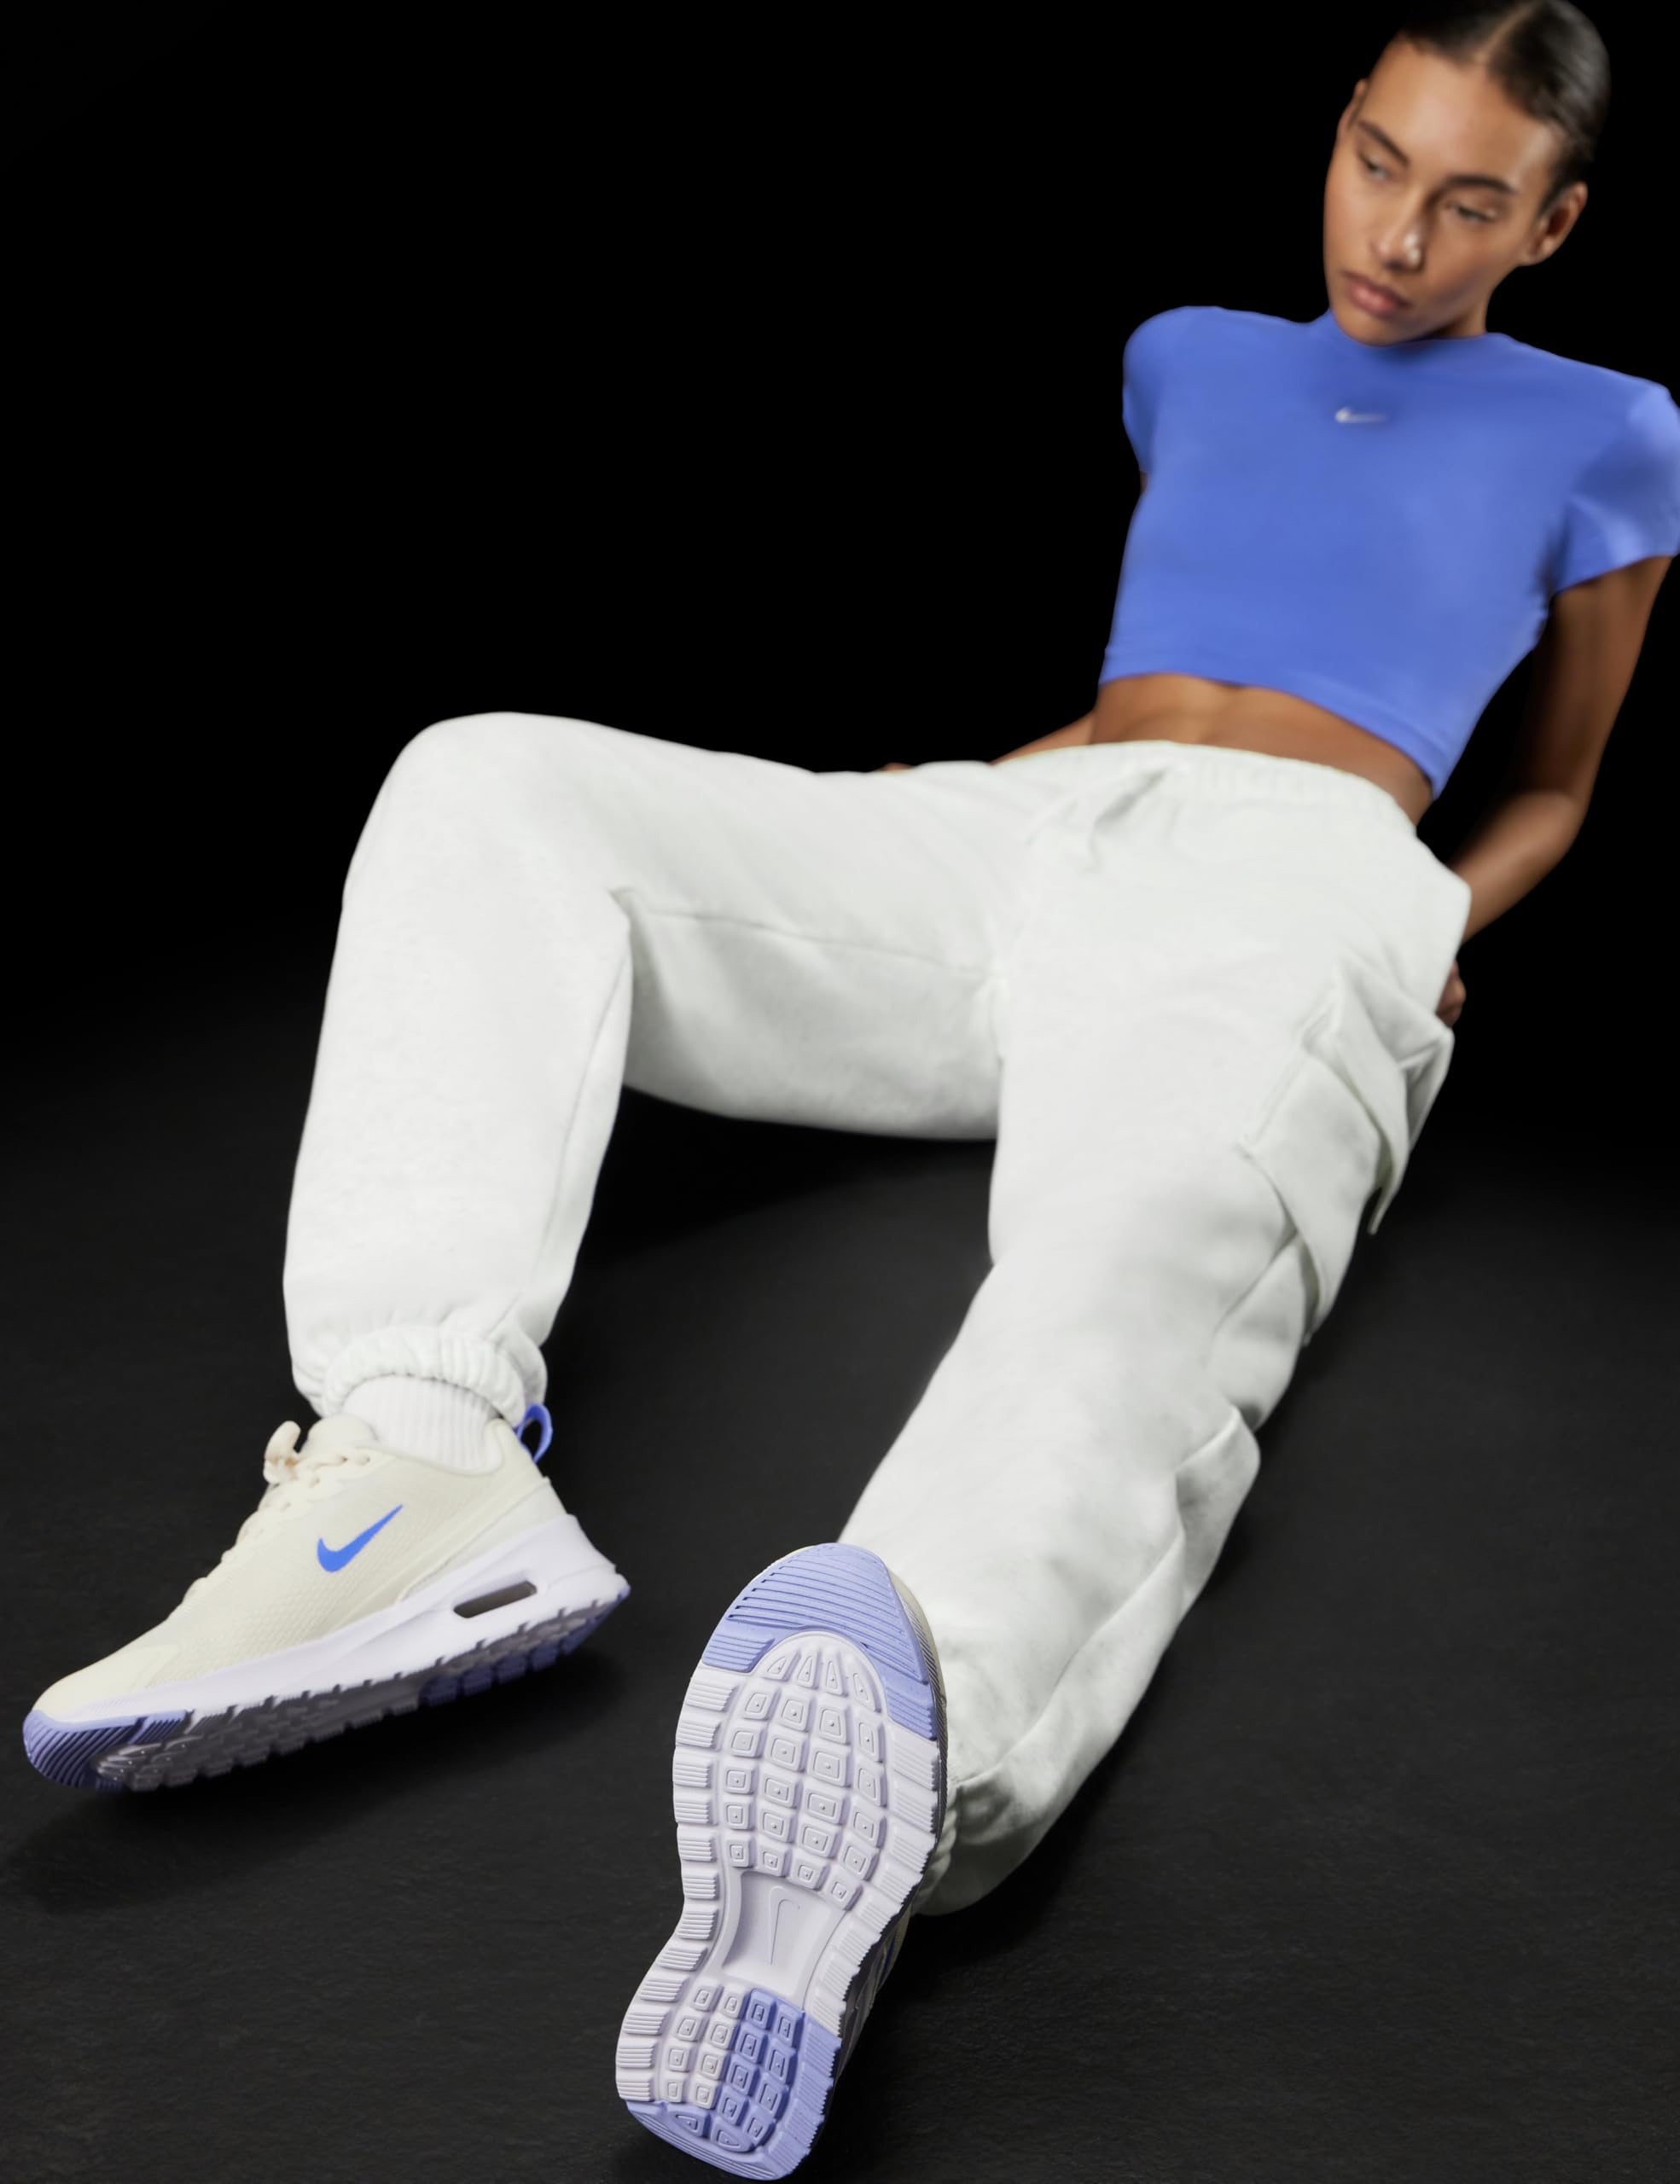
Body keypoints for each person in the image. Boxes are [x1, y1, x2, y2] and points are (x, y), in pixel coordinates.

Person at [21, 3, 1680, 2174]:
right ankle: (414, 1458)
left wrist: (1434, 907)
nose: (1395, 233)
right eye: (1376, 159)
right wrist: (960, 795)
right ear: (1341, 126)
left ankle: (888, 1745)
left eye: (1467, 202)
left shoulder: (1608, 428)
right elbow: (1162, 681)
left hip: (1304, 874)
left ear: (1549, 224)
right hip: (1026, 821)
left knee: (1140, 1229)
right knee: (492, 785)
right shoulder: (1188, 354)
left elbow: (1557, 783)